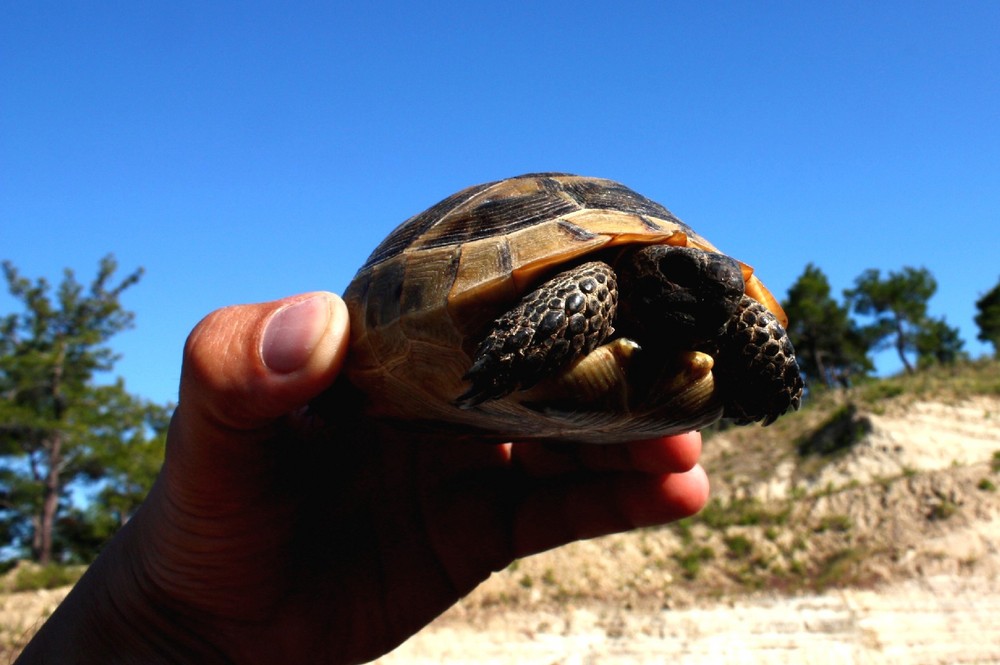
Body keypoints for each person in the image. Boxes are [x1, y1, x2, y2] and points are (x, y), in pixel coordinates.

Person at [16, 292, 709, 664]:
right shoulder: (598, 284)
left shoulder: (694, 306)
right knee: (587, 291)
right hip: (455, 354)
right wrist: (166, 630)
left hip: (493, 428)